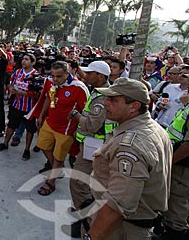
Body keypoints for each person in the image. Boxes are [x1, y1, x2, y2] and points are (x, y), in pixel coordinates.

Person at [85, 78, 172, 240]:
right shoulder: (153, 128)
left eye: (113, 100)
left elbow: (118, 205)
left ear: (134, 106)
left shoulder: (130, 145)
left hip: (121, 227)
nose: (105, 103)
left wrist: (92, 237)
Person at [66, 61, 114, 237]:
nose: (86, 75)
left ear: (101, 76)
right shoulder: (97, 91)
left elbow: (92, 125)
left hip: (95, 148)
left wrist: (76, 115)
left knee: (79, 183)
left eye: (90, 73)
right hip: (88, 146)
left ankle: (87, 220)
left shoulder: (102, 97)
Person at [35, 61, 89, 196]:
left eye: (58, 76)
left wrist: (80, 128)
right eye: (53, 76)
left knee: (59, 158)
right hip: (49, 123)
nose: (54, 79)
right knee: (43, 146)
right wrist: (41, 116)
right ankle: (57, 169)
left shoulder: (79, 87)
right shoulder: (52, 83)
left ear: (67, 74)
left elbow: (86, 111)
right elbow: (49, 98)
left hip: (66, 130)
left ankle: (51, 183)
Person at [0, 53, 39, 160]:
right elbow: (10, 82)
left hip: (29, 108)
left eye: (27, 59)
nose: (24, 61)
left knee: (29, 130)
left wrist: (21, 93)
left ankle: (26, 150)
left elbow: (37, 94)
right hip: (16, 105)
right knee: (10, 125)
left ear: (33, 63)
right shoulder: (17, 72)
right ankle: (5, 143)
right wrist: (11, 89)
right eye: (23, 59)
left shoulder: (36, 75)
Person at [160, 99, 189, 239]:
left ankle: (175, 232)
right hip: (179, 161)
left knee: (177, 201)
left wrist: (169, 162)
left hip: (182, 165)